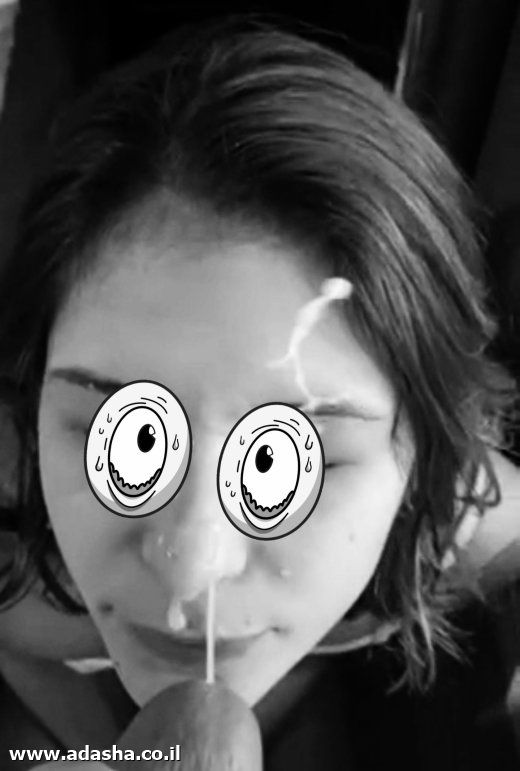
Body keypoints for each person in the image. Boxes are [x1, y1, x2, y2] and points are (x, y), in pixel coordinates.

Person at [0, 16, 518, 770]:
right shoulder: (15, 543)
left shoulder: (456, 522)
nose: (191, 569)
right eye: (132, 440)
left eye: (279, 462)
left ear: (424, 450)